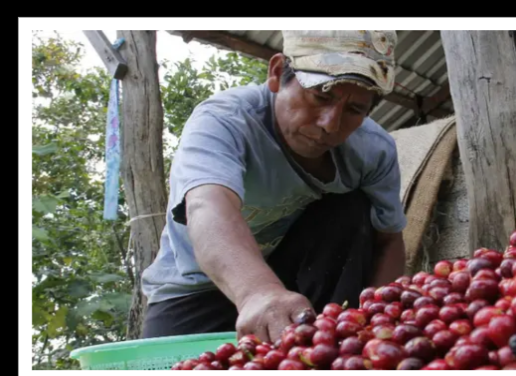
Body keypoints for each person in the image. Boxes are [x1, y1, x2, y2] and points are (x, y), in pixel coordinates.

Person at [140, 30, 407, 344]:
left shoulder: (373, 151)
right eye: (321, 96)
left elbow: (388, 241)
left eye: (354, 110)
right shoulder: (225, 120)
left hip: (292, 285)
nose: (330, 124)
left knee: (351, 208)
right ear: (278, 72)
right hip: (195, 286)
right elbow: (208, 206)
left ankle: (332, 339)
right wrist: (259, 292)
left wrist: (375, 322)